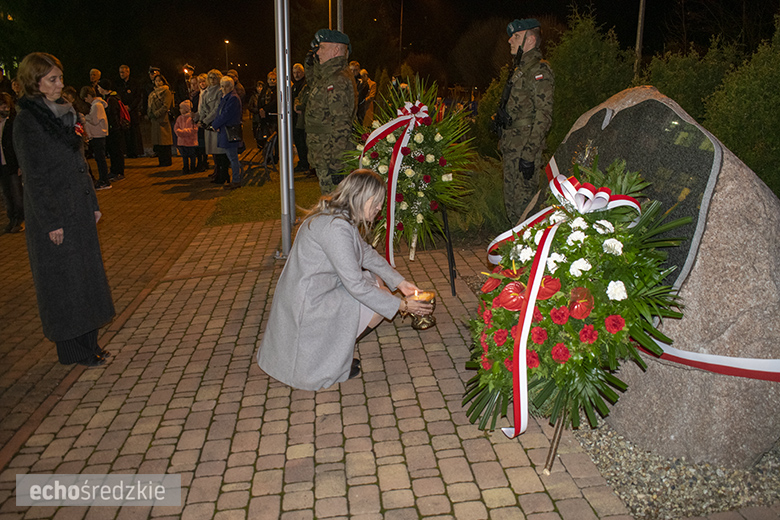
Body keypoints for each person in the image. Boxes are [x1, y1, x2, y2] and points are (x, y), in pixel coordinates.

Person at [257, 169, 433, 391]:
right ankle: (333, 358)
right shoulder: (336, 228)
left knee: (378, 284)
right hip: (310, 306)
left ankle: (338, 351)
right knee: (380, 301)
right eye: (377, 202)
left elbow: (365, 253)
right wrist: (401, 305)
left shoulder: (337, 216)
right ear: (362, 198)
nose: (380, 208)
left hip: (312, 295)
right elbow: (356, 287)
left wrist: (399, 282)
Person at [13, 52, 115, 367]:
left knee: (85, 278)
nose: (60, 84)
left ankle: (90, 343)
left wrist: (93, 203)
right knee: (64, 282)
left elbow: (80, 165)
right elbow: (34, 176)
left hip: (78, 209)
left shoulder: (66, 113)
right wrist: (51, 221)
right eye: (53, 79)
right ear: (36, 82)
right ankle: (73, 351)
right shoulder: (27, 121)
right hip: (56, 215)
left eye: (60, 77)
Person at [496, 18, 554, 224]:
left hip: (524, 149)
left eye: (516, 36)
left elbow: (543, 115)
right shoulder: (520, 69)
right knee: (512, 208)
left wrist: (529, 154)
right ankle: (515, 252)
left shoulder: (538, 71)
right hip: (512, 146)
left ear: (530, 40)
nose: (510, 40)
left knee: (523, 210)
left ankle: (528, 253)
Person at [305, 28, 358, 194]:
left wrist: (337, 164)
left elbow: (341, 124)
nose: (318, 52)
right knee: (331, 203)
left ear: (336, 50)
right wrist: (310, 64)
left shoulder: (338, 80)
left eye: (322, 48)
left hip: (330, 157)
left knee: (335, 205)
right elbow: (314, 82)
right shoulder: (330, 76)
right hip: (324, 153)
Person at [210, 75, 243, 190]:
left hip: (229, 131)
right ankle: (235, 179)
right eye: (222, 86)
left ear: (231, 86)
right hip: (226, 130)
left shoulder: (232, 98)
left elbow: (225, 115)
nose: (223, 89)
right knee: (231, 156)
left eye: (225, 86)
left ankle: (236, 180)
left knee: (232, 157)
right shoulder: (227, 97)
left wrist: (214, 125)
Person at [196, 69, 228, 183]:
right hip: (207, 125)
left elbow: (216, 109)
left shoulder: (220, 91)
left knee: (219, 151)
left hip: (215, 124)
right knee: (213, 152)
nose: (213, 80)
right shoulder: (206, 92)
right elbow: (203, 108)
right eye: (210, 78)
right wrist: (201, 120)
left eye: (215, 77)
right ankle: (217, 172)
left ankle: (223, 175)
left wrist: (206, 120)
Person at [0, 92, 24, 233]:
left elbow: (18, 145)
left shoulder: (12, 123)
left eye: (6, 106)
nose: (5, 109)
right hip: (2, 165)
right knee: (6, 195)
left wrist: (20, 164)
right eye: (2, 106)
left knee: (17, 193)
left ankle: (20, 220)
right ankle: (12, 219)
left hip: (12, 164)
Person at [81, 85, 111, 190]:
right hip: (97, 134)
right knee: (99, 158)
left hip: (98, 135)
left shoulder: (97, 106)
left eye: (85, 98)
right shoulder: (96, 105)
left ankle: (105, 180)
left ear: (89, 95)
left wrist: (85, 117)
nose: (85, 100)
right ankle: (103, 179)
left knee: (100, 159)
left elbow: (94, 120)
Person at [97, 79, 125, 180]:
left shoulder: (111, 100)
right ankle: (114, 171)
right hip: (113, 129)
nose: (98, 88)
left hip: (114, 130)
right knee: (113, 152)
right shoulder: (109, 98)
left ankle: (119, 172)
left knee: (117, 151)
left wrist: (112, 127)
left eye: (99, 87)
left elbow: (113, 116)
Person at [147, 74, 174, 166]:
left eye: (159, 80)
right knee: (158, 141)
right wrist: (149, 114)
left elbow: (166, 105)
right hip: (154, 120)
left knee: (165, 141)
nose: (158, 83)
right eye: (156, 81)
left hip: (163, 119)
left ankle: (167, 161)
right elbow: (149, 105)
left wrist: (156, 114)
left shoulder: (166, 92)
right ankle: (161, 161)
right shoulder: (153, 93)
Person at [117, 64, 144, 157]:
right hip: (123, 111)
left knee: (134, 131)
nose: (121, 74)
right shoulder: (119, 84)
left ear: (128, 72)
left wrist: (131, 106)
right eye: (120, 72)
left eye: (123, 72)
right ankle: (127, 151)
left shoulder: (135, 83)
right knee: (125, 131)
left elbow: (138, 97)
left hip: (132, 110)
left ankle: (135, 151)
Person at [291, 63, 311, 173]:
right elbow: (296, 98)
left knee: (303, 143)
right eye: (294, 73)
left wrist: (298, 106)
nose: (296, 74)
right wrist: (295, 105)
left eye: (298, 72)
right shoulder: (295, 85)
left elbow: (306, 101)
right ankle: (302, 162)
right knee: (299, 142)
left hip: (303, 120)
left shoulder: (306, 84)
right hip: (296, 119)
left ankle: (305, 163)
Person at [174, 100, 198, 174]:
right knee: (184, 156)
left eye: (182, 108)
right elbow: (176, 128)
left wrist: (183, 132)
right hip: (182, 142)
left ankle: (193, 167)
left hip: (190, 141)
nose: (180, 110)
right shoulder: (179, 118)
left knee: (192, 155)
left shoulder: (191, 118)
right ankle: (185, 168)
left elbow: (194, 129)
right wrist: (179, 132)